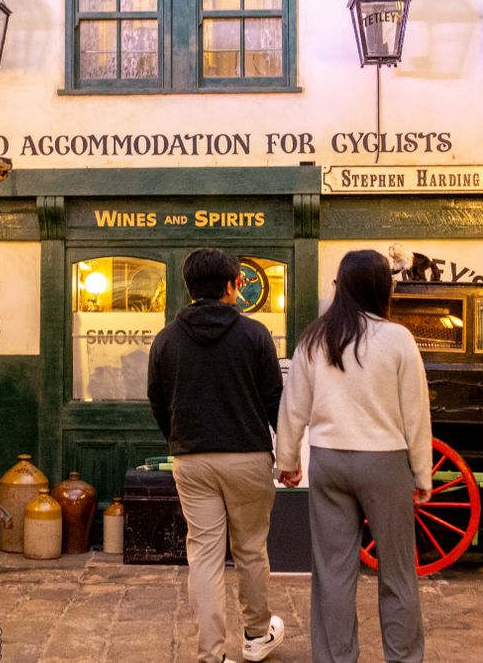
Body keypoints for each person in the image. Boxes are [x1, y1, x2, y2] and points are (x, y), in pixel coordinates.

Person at [276, 249, 431, 663]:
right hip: (384, 461)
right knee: (398, 572)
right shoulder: (397, 338)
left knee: (332, 573)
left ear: (341, 286)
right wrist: (422, 474)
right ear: (383, 287)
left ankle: (335, 658)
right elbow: (416, 412)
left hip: (329, 460)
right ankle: (403, 658)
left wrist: (287, 460)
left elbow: (293, 407)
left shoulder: (314, 337)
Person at [148, 247, 287, 663]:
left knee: (204, 556)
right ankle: (257, 637)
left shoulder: (166, 338)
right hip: (248, 456)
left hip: (192, 459)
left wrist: (178, 441)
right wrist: (289, 454)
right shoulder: (255, 334)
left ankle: (211, 655)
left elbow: (157, 402)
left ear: (190, 288)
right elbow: (275, 401)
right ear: (230, 286)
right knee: (250, 549)